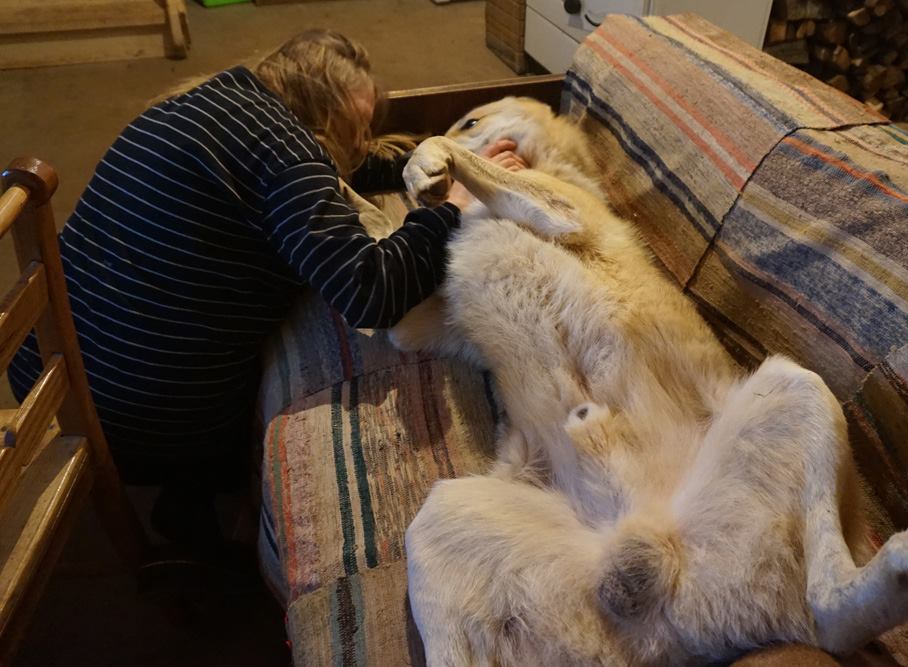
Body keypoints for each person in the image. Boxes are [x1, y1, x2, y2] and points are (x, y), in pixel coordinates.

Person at [6, 29, 525, 550]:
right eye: (358, 126)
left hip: (40, 368)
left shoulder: (212, 103)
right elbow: (373, 292)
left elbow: (335, 167)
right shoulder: (287, 159)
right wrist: (456, 206)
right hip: (126, 422)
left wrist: (427, 163)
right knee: (247, 406)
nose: (364, 142)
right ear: (327, 112)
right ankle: (197, 501)